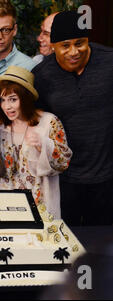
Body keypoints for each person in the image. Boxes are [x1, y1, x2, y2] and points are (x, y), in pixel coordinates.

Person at [32, 11, 113, 226]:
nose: (74, 51)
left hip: (107, 180)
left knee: (106, 252)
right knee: (70, 248)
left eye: (80, 43)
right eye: (65, 45)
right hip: (64, 182)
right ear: (53, 44)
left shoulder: (109, 62)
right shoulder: (41, 75)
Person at [0, 66, 72, 219]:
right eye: (2, 100)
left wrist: (43, 144)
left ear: (26, 98)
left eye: (13, 99)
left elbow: (63, 163)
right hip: (6, 205)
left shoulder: (49, 122)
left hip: (41, 204)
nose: (7, 106)